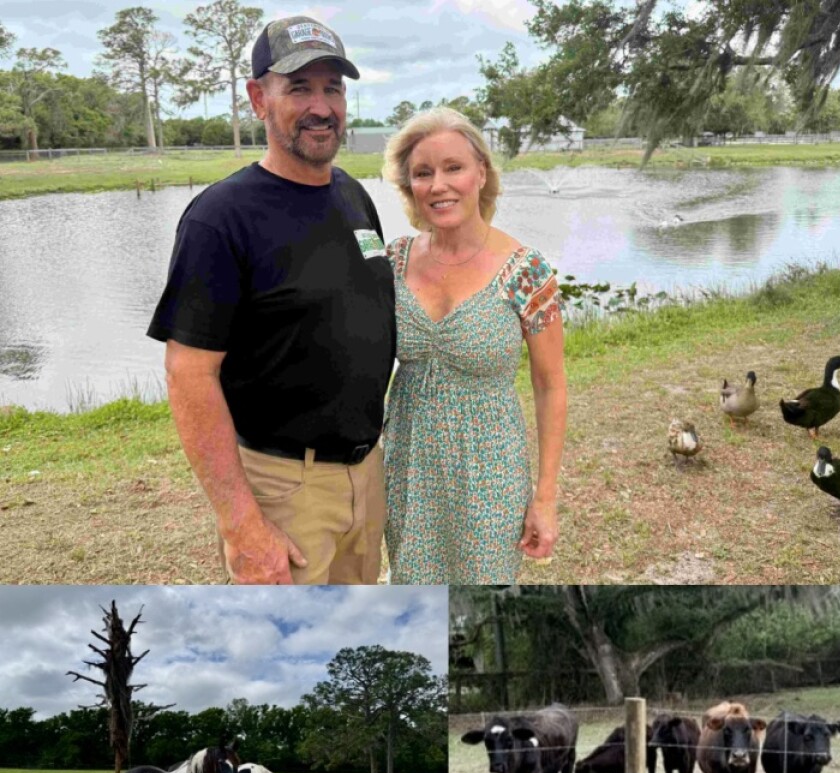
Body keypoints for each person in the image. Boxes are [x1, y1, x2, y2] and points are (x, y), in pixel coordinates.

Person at [147, 16, 395, 585]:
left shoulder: (354, 196)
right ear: (259, 98)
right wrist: (242, 524)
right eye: (299, 87)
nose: (322, 106)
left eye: (333, 87)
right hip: (286, 486)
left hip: (367, 472)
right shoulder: (221, 218)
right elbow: (189, 374)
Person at [382, 107, 567, 583]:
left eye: (453, 168)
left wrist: (544, 499)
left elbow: (550, 385)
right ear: (409, 186)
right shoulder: (393, 261)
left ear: (481, 173)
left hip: (490, 471)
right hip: (408, 468)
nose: (438, 185)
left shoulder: (526, 270)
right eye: (423, 173)